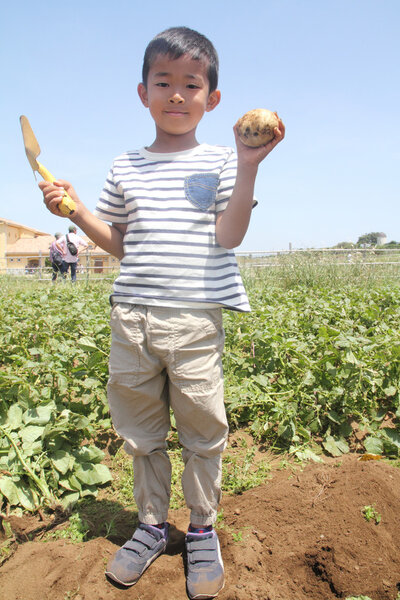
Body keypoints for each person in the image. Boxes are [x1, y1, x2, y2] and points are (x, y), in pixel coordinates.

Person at [39, 26, 284, 599]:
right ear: (143, 93)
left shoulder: (225, 160)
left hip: (195, 319)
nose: (177, 94)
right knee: (141, 432)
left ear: (212, 98)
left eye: (191, 84)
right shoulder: (125, 166)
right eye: (163, 82)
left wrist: (249, 165)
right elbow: (121, 243)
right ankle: (151, 524)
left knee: (203, 429)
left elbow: (230, 236)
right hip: (132, 318)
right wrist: (73, 212)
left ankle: (201, 528)